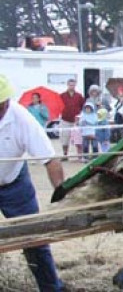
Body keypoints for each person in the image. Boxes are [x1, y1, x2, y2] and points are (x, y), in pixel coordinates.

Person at [0, 74, 66, 291]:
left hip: (14, 184)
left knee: (34, 239)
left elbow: (50, 159)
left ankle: (51, 287)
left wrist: (61, 192)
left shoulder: (21, 118)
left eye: (3, 104)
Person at [59, 79, 85, 160]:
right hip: (65, 120)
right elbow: (59, 106)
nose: (72, 86)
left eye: (73, 85)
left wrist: (79, 117)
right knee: (65, 138)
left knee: (78, 139)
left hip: (76, 121)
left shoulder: (79, 96)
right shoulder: (62, 95)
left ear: (75, 85)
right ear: (67, 85)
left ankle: (80, 156)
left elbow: (83, 107)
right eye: (70, 85)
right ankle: (65, 155)